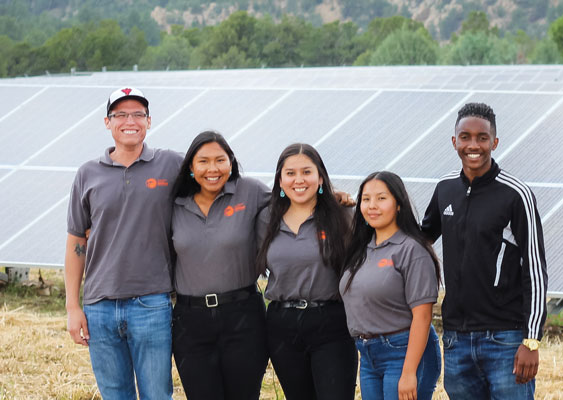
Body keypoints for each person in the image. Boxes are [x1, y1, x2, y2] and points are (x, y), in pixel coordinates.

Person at [421, 102, 548, 399]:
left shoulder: (516, 195)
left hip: (504, 338)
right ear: (454, 141)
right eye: (465, 137)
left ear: (495, 142)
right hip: (456, 339)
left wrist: (531, 340)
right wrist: (361, 217)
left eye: (482, 137)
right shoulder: (445, 189)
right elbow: (419, 237)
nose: (473, 145)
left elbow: (535, 269)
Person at [65, 87, 181, 399]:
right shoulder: (88, 174)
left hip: (152, 304)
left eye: (137, 114)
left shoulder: (171, 165)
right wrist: (73, 306)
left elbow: (214, 180)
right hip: (99, 307)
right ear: (107, 122)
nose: (130, 121)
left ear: (149, 121)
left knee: (157, 394)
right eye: (121, 115)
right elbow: (77, 240)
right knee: (115, 394)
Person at [170, 131, 270, 400]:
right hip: (191, 322)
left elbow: (294, 200)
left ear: (231, 162)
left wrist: (332, 195)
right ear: (191, 167)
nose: (212, 169)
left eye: (220, 160)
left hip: (243, 316)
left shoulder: (250, 191)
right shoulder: (173, 204)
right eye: (203, 161)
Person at [256, 143, 358, 400]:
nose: (298, 180)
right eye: (290, 173)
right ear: (280, 179)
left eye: (306, 172)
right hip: (281, 325)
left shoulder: (345, 215)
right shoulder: (265, 218)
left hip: (332, 322)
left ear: (320, 177)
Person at [340, 171, 441, 400]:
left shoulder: (412, 249)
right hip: (367, 354)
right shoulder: (361, 248)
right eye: (366, 199)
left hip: (403, 352)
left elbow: (423, 316)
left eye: (381, 198)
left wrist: (409, 372)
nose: (372, 206)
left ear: (398, 204)